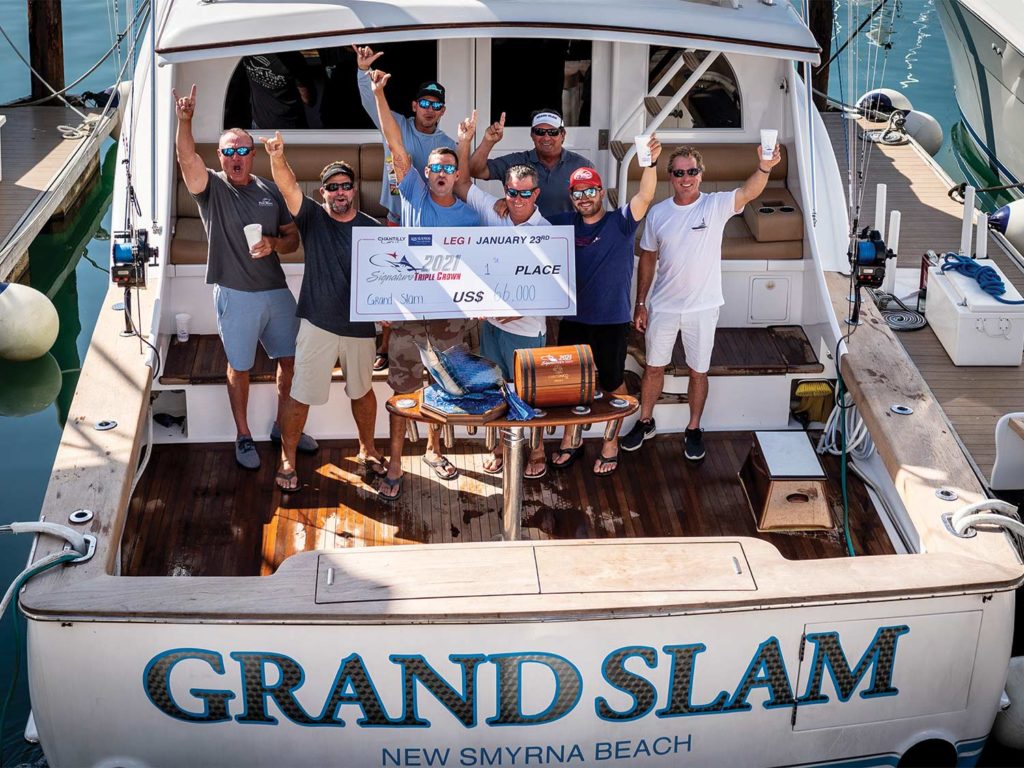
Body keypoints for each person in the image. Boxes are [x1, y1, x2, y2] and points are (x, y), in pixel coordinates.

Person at [173, 84, 313, 471]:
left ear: (253, 155)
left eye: (242, 151)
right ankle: (243, 435)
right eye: (228, 152)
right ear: (220, 157)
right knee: (241, 366)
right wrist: (185, 120)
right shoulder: (211, 188)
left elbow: (292, 238)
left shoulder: (270, 190)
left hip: (275, 291)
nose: (235, 158)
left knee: (292, 361)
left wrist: (272, 243)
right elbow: (186, 159)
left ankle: (286, 428)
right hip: (235, 294)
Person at [624, 144, 782, 462]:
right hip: (663, 306)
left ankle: (694, 428)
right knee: (653, 368)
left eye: (691, 172)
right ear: (670, 176)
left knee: (699, 371)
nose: (686, 178)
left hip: (703, 307)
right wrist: (640, 303)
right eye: (679, 172)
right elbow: (647, 259)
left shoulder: (716, 205)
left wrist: (765, 167)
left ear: (701, 174)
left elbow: (749, 191)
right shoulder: (657, 213)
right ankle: (645, 421)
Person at [370, 68, 481, 501]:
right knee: (402, 390)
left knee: (442, 387)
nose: (439, 173)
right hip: (408, 315)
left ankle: (434, 449)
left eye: (447, 169)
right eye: (434, 167)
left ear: (456, 176)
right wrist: (379, 93)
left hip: (450, 317)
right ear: (425, 172)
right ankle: (397, 462)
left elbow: (479, 270)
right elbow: (395, 142)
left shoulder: (471, 217)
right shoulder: (412, 192)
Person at [262, 132, 388, 493]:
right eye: (332, 187)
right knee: (300, 395)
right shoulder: (312, 219)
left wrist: (389, 311)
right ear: (322, 194)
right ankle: (287, 457)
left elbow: (388, 278)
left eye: (345, 186)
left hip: (361, 329)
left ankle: (367, 448)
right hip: (317, 324)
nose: (339, 192)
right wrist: (277, 156)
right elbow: (287, 187)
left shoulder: (373, 229)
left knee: (362, 392)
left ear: (354, 190)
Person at [547, 136, 662, 476]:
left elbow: (646, 195)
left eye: (590, 191)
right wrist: (505, 207)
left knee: (612, 383)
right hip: (573, 320)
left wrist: (650, 164)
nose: (584, 198)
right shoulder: (562, 223)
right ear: (572, 197)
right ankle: (573, 440)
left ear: (601, 192)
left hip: (611, 321)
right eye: (578, 193)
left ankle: (610, 443)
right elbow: (525, 225)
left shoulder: (621, 222)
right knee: (571, 384)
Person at [454, 111, 549, 479]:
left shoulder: (548, 231)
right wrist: (469, 139)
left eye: (525, 193)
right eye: (511, 192)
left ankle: (536, 450)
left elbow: (554, 288)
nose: (518, 198)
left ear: (536, 193)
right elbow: (462, 183)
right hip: (490, 325)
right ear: (505, 192)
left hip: (527, 330)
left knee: (530, 396)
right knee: (496, 390)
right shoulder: (496, 213)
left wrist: (518, 308)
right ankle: (496, 447)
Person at [354, 44, 456, 370]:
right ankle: (386, 346)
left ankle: (431, 349)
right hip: (396, 219)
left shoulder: (450, 147)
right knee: (393, 285)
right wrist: (363, 73)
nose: (429, 109)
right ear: (414, 106)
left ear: (442, 111)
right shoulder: (395, 124)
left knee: (432, 287)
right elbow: (371, 101)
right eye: (424, 103)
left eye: (435, 105)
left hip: (433, 226)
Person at [468, 108, 590, 219]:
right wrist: (488, 141)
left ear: (562, 135)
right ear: (532, 135)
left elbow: (592, 203)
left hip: (566, 237)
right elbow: (475, 170)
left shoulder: (582, 165)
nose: (546, 137)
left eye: (553, 132)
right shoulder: (516, 161)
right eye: (540, 132)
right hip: (525, 237)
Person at [241, 52, 315, 129]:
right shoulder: (293, 57)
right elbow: (308, 99)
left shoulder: (249, 50)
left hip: (259, 124)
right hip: (290, 128)